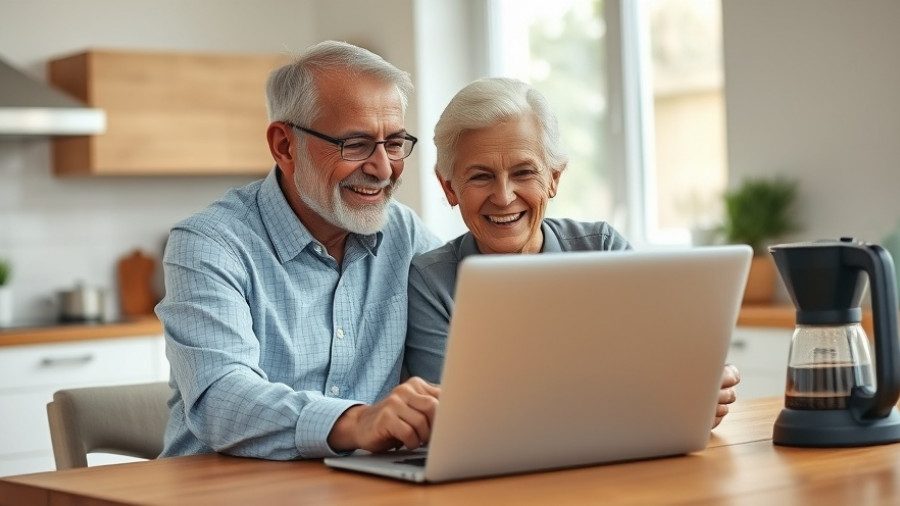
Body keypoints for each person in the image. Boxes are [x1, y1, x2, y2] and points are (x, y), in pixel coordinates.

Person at [155, 40, 444, 460]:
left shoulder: (406, 234)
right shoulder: (208, 243)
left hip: (356, 488)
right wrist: (359, 421)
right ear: (285, 146)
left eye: (395, 143)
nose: (383, 168)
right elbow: (221, 399)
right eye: (356, 144)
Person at [404, 77, 740, 429]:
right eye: (480, 177)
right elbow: (454, 418)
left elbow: (669, 361)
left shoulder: (602, 247)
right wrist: (640, 397)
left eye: (523, 172)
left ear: (553, 178)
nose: (503, 196)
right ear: (449, 187)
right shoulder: (430, 282)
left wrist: (700, 387)